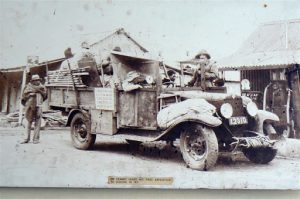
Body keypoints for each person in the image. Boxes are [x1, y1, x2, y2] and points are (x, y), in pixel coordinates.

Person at [21, 74, 47, 144]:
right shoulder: (28, 87)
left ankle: (36, 139)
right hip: (30, 107)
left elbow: (45, 96)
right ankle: (26, 139)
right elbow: (23, 97)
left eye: (38, 80)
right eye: (35, 80)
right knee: (28, 122)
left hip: (39, 106)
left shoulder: (42, 87)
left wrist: (39, 98)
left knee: (38, 122)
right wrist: (30, 95)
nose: (37, 81)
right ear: (32, 81)